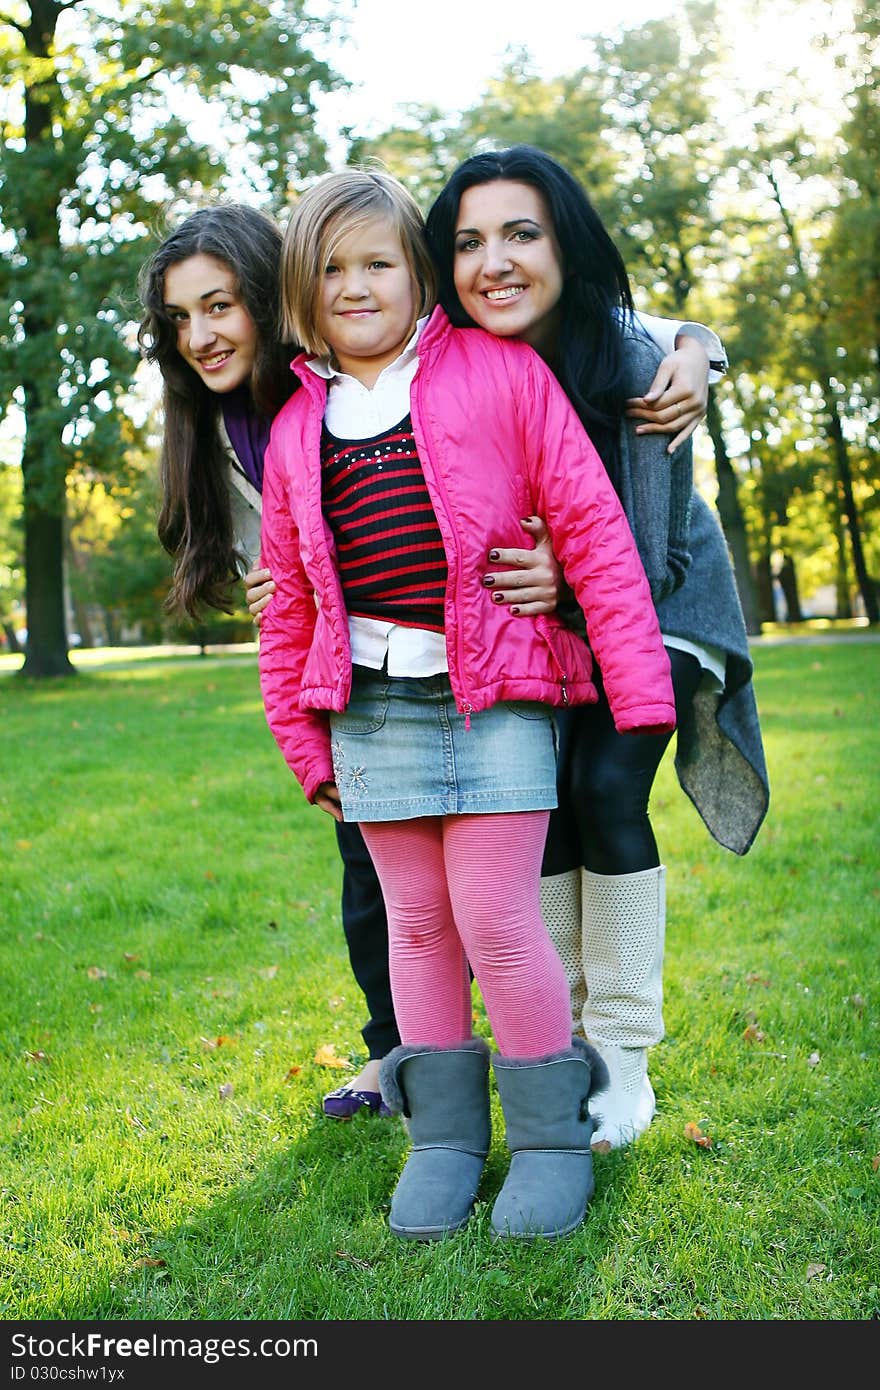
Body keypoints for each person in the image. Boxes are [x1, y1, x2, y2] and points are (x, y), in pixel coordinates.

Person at [138, 200, 717, 1128]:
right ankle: (407, 1068)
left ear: (268, 295)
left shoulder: (439, 353)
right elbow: (291, 580)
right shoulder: (258, 419)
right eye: (179, 320)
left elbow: (577, 483)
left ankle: (597, 1063)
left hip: (577, 624)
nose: (200, 336)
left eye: (218, 306)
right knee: (394, 889)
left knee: (540, 851)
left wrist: (695, 342)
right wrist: (295, 621)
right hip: (368, 681)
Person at [256, 167, 677, 1240]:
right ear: (302, 290)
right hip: (370, 712)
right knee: (416, 927)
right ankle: (441, 1140)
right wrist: (302, 741)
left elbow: (589, 523)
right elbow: (289, 597)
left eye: (378, 263)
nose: (355, 286)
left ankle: (544, 1137)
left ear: (420, 274)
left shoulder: (495, 371)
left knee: (498, 917)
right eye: (330, 269)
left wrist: (636, 683)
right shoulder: (301, 422)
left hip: (494, 694)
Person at [424, 145, 770, 1150]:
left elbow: (649, 555)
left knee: (607, 788)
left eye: (521, 233)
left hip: (665, 605)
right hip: (538, 623)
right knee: (543, 800)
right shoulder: (451, 364)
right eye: (468, 241)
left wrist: (696, 346)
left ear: (565, 248)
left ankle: (623, 1056)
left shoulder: (628, 360)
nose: (495, 260)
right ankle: (564, 1038)